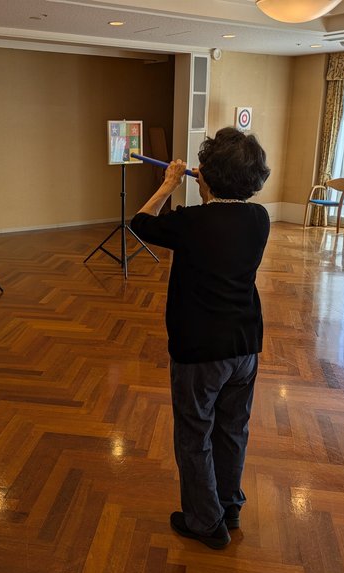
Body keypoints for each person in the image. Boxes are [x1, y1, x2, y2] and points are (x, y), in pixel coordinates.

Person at [130, 127, 271, 549]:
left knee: (194, 435)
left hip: (200, 349)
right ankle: (228, 506)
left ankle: (205, 522)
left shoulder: (191, 222)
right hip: (244, 345)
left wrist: (168, 184)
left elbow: (140, 223)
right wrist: (206, 187)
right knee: (232, 430)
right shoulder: (260, 218)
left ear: (206, 175)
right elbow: (219, 217)